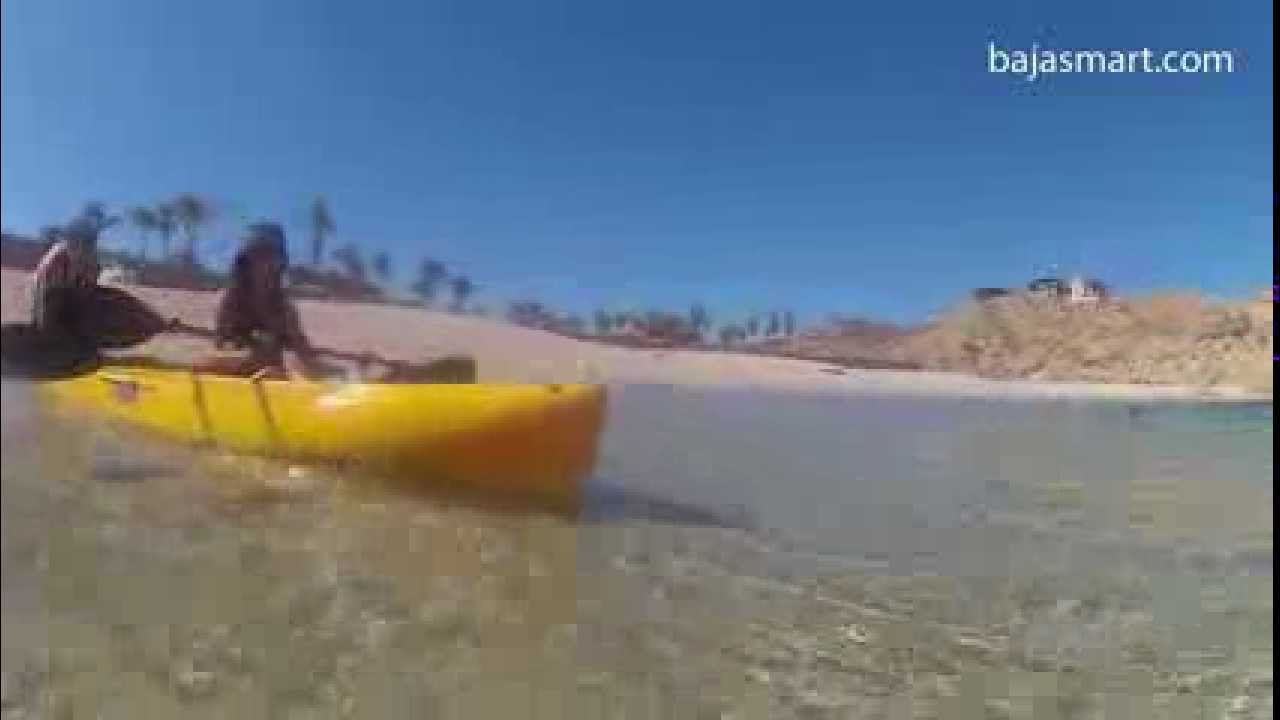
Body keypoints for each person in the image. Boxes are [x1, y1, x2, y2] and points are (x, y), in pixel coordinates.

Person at [213, 222, 327, 378]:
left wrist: (333, 374)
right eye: (261, 256)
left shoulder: (285, 309)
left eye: (274, 256)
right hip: (233, 382)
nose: (269, 264)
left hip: (273, 384)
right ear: (246, 262)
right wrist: (254, 357)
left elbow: (304, 355)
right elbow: (222, 350)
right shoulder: (230, 301)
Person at [30, 219, 101, 345]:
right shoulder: (53, 260)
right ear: (67, 241)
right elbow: (41, 296)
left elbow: (90, 289)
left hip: (72, 287)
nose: (79, 250)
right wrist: (41, 325)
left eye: (85, 245)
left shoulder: (93, 260)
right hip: (48, 288)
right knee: (45, 323)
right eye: (74, 244)